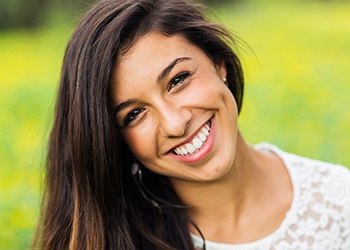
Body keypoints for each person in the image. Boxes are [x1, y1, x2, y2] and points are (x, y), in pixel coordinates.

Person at [33, 0, 350, 249]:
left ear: (219, 64)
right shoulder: (110, 239)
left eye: (178, 80)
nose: (174, 123)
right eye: (134, 115)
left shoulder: (340, 204)